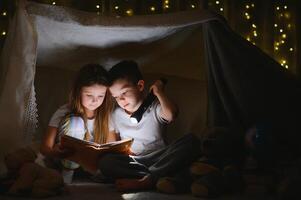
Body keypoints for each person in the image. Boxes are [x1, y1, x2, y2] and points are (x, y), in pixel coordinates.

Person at [97, 60, 201, 191]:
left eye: (124, 93)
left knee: (192, 142)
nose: (121, 100)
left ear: (140, 86)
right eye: (116, 97)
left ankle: (148, 180)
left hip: (160, 158)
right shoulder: (115, 115)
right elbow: (111, 145)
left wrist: (159, 92)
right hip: (135, 161)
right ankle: (163, 176)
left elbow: (171, 114)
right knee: (106, 162)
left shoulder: (154, 107)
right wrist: (121, 151)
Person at [40, 63, 116, 183]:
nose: (95, 101)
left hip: (91, 165)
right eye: (89, 95)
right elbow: (45, 148)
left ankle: (97, 174)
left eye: (101, 96)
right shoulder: (63, 111)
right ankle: (67, 176)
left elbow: (111, 146)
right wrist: (55, 152)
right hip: (65, 161)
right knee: (76, 122)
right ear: (78, 92)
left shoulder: (106, 116)